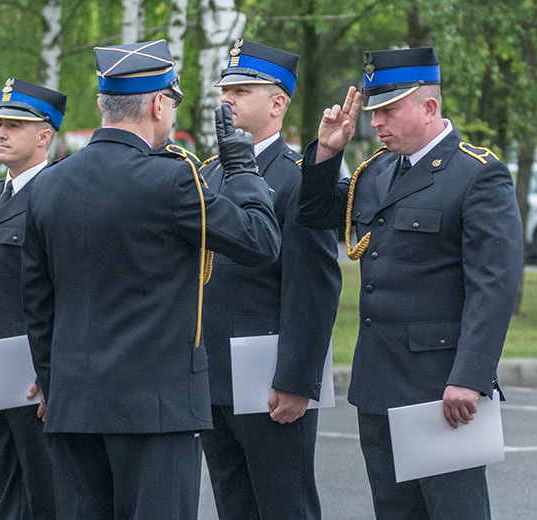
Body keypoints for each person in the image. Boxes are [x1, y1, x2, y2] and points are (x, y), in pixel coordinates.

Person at [21, 39, 282, 520]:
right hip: (156, 412)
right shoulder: (172, 180)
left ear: (103, 104)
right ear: (159, 104)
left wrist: (57, 388)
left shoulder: (48, 184)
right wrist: (242, 165)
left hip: (74, 409)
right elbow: (260, 241)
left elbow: (37, 304)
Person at [297, 46, 523, 519]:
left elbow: (494, 285)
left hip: (440, 389)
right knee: (394, 512)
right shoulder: (377, 170)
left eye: (389, 110)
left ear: (430, 106)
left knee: (452, 511)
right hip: (378, 382)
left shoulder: (477, 174)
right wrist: (326, 152)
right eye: (374, 111)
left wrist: (470, 377)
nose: (376, 123)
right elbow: (316, 213)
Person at [199, 39, 342, 520]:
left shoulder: (299, 177)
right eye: (225, 90)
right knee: (232, 503)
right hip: (213, 370)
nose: (227, 100)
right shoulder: (210, 172)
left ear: (277, 103)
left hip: (269, 375)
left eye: (241, 90)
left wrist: (297, 378)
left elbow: (314, 284)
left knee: (284, 505)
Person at [0, 77, 65, 520]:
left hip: (32, 373)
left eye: (14, 124)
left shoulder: (55, 194)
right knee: (10, 488)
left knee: (46, 493)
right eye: (0, 124)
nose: (2, 133)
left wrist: (52, 371)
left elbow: (64, 290)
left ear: (44, 136)